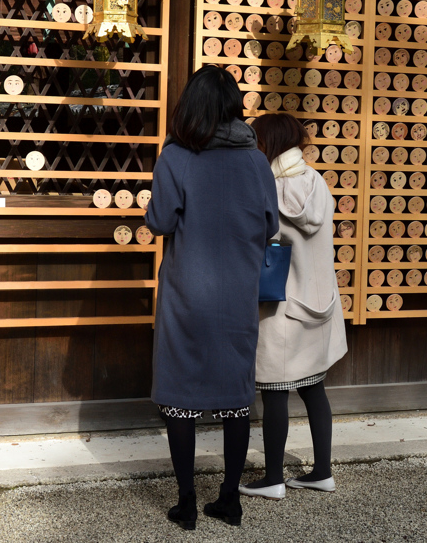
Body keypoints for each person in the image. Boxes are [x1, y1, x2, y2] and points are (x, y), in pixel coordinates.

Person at [144, 65, 279, 530]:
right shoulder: (256, 161)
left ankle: (185, 504)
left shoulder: (176, 157)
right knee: (235, 397)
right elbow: (271, 225)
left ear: (191, 107)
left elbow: (160, 222)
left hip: (186, 294)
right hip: (237, 294)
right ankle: (229, 500)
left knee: (181, 396)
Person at [238, 113, 348, 501]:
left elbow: (261, 235)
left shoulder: (268, 187)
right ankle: (322, 472)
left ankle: (273, 479)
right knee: (314, 388)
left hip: (282, 305)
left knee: (276, 391)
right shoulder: (316, 181)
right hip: (320, 302)